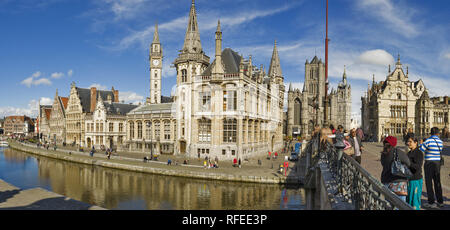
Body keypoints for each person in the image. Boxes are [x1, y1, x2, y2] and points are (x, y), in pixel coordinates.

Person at [380, 136, 411, 202]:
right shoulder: (398, 152)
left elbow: (383, 164)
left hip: (386, 180)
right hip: (398, 182)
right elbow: (408, 163)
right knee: (400, 204)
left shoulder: (383, 153)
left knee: (388, 203)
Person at [420, 127, 444, 209]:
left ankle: (431, 202)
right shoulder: (440, 142)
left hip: (429, 162)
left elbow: (421, 149)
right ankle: (440, 201)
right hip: (437, 163)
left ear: (431, 133)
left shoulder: (428, 141)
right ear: (437, 133)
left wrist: (421, 143)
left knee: (429, 182)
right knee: (437, 182)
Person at [406, 137, 424, 210]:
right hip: (409, 179)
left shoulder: (419, 153)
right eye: (408, 141)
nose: (408, 143)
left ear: (416, 142)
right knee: (409, 201)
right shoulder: (409, 152)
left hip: (415, 179)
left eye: (410, 142)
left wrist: (407, 163)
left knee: (415, 202)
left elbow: (417, 167)